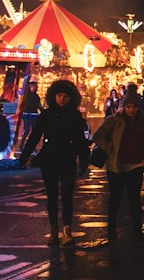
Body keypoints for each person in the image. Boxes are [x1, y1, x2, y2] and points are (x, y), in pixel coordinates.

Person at [18, 78, 92, 247]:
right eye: (59, 95)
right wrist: (24, 156)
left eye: (65, 96)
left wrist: (84, 161)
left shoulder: (74, 116)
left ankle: (66, 231)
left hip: (67, 158)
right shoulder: (47, 114)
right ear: (53, 96)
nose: (62, 99)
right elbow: (34, 136)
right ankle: (53, 230)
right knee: (51, 195)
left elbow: (80, 140)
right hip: (49, 158)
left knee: (66, 195)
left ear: (70, 98)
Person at [91, 90, 144, 242]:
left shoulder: (143, 122)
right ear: (124, 107)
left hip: (136, 164)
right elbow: (98, 136)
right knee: (115, 198)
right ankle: (111, 231)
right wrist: (110, 148)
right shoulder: (113, 120)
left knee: (134, 198)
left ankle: (137, 231)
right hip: (117, 165)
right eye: (129, 106)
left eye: (135, 107)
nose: (132, 110)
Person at [15, 83, 41, 154]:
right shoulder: (26, 96)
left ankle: (32, 147)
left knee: (34, 132)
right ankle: (21, 146)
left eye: (35, 87)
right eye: (32, 86)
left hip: (34, 114)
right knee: (26, 130)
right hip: (27, 114)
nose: (33, 88)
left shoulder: (36, 96)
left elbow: (38, 105)